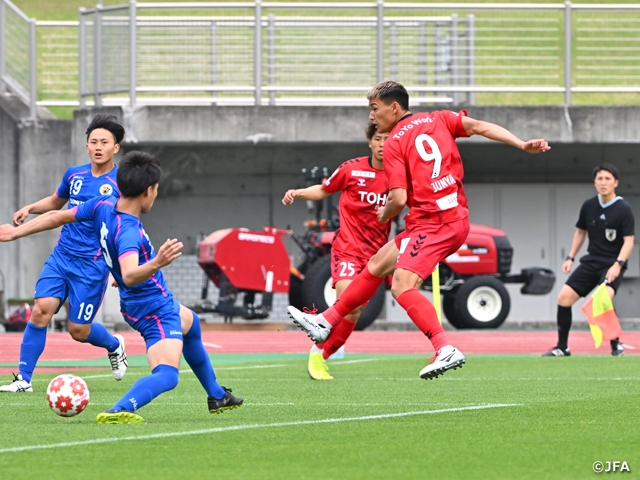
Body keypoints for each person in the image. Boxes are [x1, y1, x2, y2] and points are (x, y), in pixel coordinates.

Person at [288, 80, 550, 380]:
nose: (371, 116)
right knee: (378, 264)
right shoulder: (439, 118)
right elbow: (478, 126)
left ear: (394, 107)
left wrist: (384, 212)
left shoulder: (397, 140)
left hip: (433, 223)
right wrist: (521, 144)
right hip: (451, 218)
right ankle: (326, 320)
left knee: (401, 286)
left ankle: (444, 347)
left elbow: (397, 199)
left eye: (375, 109)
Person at [0, 151, 243, 423]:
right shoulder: (129, 230)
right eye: (157, 190)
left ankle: (217, 395)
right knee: (167, 375)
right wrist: (157, 262)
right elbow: (129, 275)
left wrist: (15, 232)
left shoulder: (103, 204)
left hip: (143, 300)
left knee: (192, 324)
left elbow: (57, 217)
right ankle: (120, 409)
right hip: (152, 307)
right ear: (148, 191)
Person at [0, 114, 128, 393]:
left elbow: (125, 225)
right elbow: (57, 202)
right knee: (40, 311)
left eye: (104, 142)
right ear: (86, 146)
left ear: (115, 147)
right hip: (62, 256)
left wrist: (122, 265)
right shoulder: (74, 174)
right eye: (93, 141)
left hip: (93, 265)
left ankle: (114, 344)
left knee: (78, 330)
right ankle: (24, 379)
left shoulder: (122, 182)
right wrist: (30, 208)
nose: (98, 146)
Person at [282, 122, 390, 380]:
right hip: (348, 250)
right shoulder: (351, 169)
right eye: (378, 139)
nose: (383, 144)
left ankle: (320, 354)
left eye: (388, 138)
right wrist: (298, 192)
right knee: (349, 301)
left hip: (376, 257)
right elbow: (323, 189)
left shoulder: (400, 175)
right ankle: (318, 351)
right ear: (370, 143)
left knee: (356, 309)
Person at [543, 163, 634, 357]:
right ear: (595, 182)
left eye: (608, 179)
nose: (603, 183)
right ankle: (562, 347)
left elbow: (629, 241)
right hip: (591, 261)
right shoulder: (589, 205)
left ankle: (616, 344)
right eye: (600, 179)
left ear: (615, 183)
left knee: (603, 298)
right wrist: (570, 257)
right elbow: (581, 232)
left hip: (612, 263)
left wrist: (618, 265)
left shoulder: (623, 208)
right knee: (563, 298)